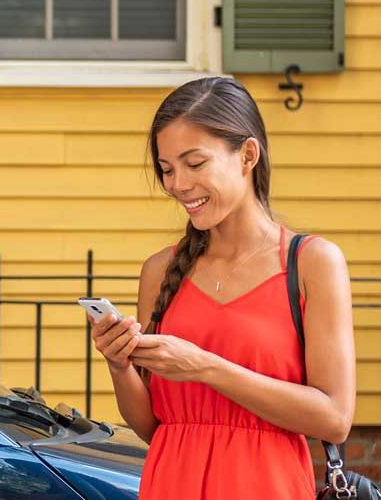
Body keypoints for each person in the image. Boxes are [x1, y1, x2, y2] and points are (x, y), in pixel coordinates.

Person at [87, 77, 358, 498]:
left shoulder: (312, 263)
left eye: (195, 164)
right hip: (171, 483)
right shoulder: (160, 270)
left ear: (248, 155)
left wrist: (205, 367)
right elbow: (152, 426)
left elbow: (335, 418)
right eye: (167, 169)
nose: (177, 184)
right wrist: (119, 364)